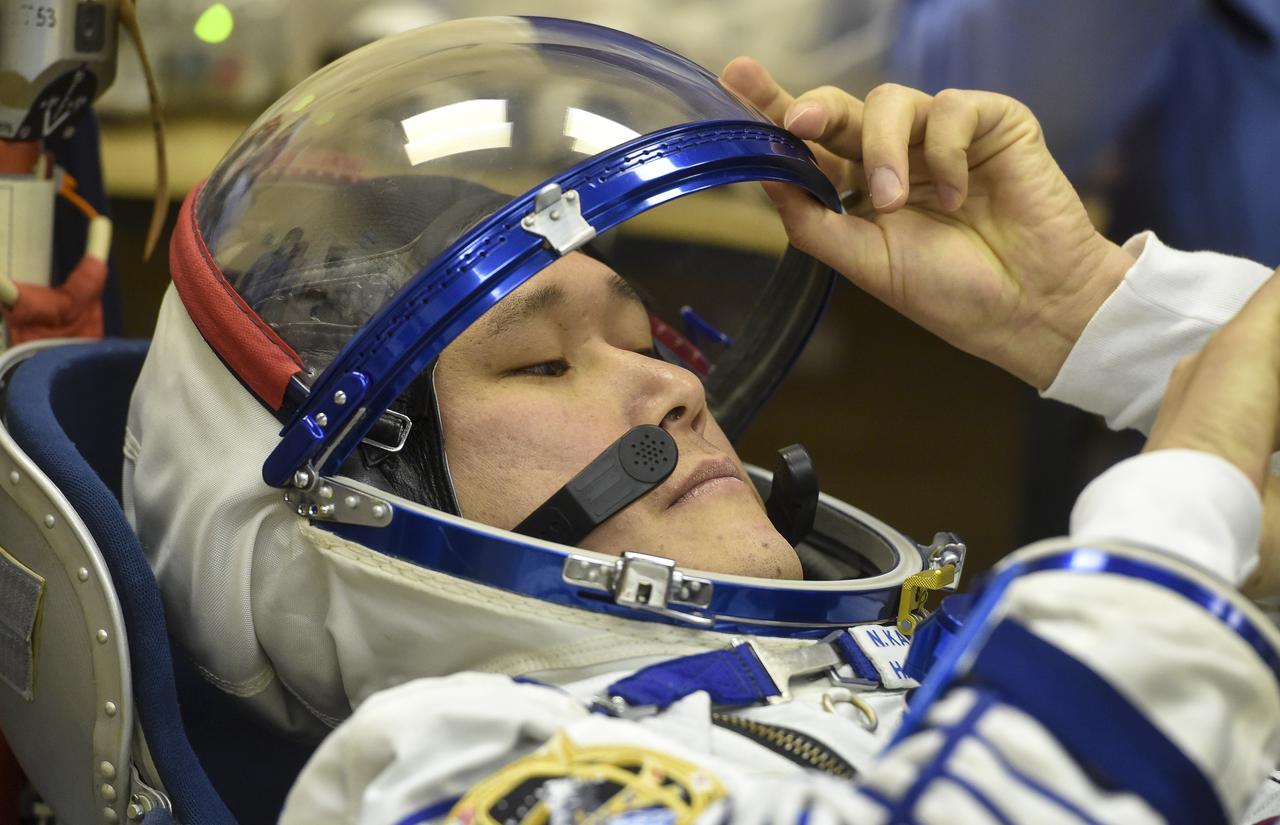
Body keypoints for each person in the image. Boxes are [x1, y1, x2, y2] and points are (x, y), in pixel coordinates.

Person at [121, 19, 1280, 824]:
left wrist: (1092, 320)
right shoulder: (448, 770)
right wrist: (1167, 521)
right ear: (356, 514)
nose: (676, 388)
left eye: (647, 341)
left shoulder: (929, 655)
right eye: (538, 365)